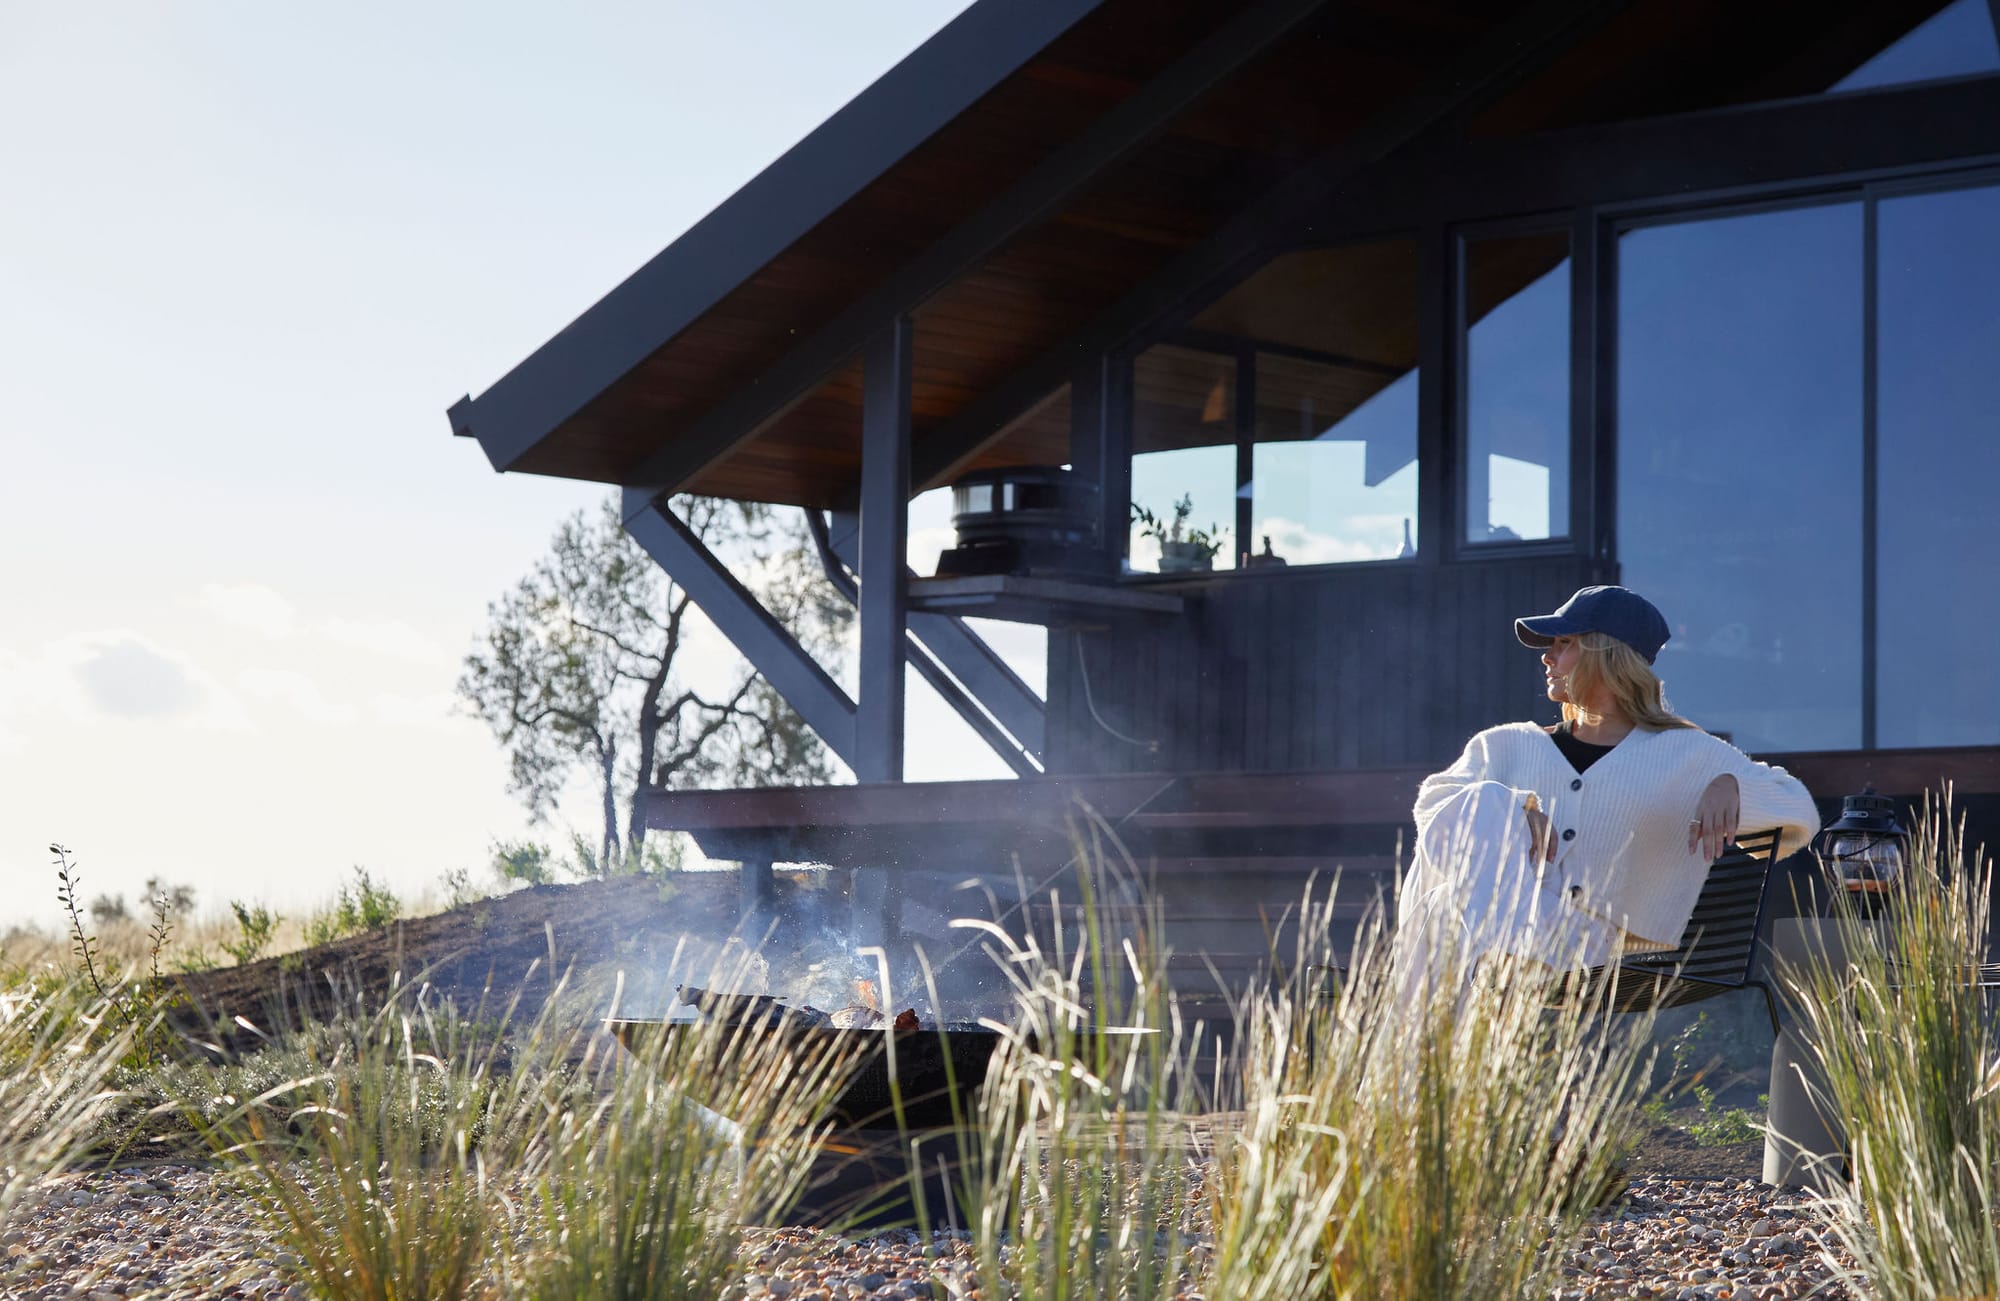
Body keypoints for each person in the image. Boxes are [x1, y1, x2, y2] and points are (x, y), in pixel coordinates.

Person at [1395, 585, 1821, 991]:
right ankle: (1503, 956)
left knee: (1445, 905)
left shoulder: (1686, 754)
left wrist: (1733, 787)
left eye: (1563, 644)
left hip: (1587, 951)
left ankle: (1437, 1036)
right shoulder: (1504, 746)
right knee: (1466, 846)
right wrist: (1516, 809)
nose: (1547, 658)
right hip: (1485, 943)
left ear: (1607, 654)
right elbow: (1435, 812)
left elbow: (1800, 811)